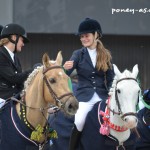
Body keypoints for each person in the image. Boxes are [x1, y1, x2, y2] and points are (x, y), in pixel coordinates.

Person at [63, 18, 114, 150]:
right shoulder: (78, 54)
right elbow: (66, 73)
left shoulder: (106, 55)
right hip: (85, 97)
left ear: (96, 35)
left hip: (102, 96)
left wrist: (111, 94)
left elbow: (110, 78)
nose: (84, 39)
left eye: (87, 36)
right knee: (79, 121)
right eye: (82, 37)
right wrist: (65, 68)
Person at [0, 23, 33, 100]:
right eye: (22, 40)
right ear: (14, 37)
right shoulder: (0, 55)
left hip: (12, 98)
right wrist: (33, 70)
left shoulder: (15, 58)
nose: (23, 44)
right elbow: (13, 78)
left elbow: (20, 83)